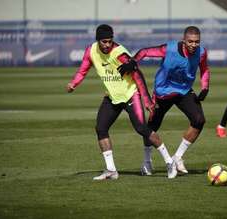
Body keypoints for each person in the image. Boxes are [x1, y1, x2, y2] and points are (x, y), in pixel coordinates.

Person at [66, 24, 177, 180]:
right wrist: (74, 83)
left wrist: (147, 101)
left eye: (110, 41)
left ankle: (169, 162)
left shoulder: (119, 53)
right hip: (112, 97)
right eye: (104, 41)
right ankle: (111, 170)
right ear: (98, 40)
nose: (107, 45)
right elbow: (83, 69)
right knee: (101, 128)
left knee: (141, 129)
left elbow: (137, 75)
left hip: (130, 95)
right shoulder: (91, 51)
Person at [118, 26, 210, 175]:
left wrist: (205, 87)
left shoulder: (202, 52)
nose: (194, 45)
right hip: (163, 92)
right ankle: (147, 162)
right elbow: (144, 52)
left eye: (197, 42)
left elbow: (204, 69)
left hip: (184, 90)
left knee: (199, 120)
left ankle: (177, 157)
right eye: (190, 41)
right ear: (184, 40)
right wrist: (133, 62)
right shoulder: (169, 49)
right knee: (152, 127)